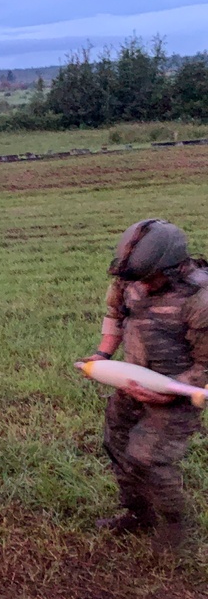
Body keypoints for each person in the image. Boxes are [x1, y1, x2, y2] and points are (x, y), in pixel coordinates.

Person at [82, 218, 208, 551]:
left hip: (178, 395)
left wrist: (166, 392)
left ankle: (174, 528)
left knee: (148, 458)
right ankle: (138, 514)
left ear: (174, 268)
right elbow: (115, 314)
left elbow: (206, 366)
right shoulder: (131, 279)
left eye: (150, 279)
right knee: (118, 446)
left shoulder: (200, 299)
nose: (143, 285)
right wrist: (102, 355)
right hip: (131, 384)